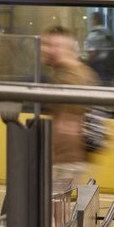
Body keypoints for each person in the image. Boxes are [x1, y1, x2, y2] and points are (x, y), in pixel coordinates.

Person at [41, 26, 100, 188]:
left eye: (51, 45)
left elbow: (68, 124)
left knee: (55, 206)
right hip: (63, 158)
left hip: (66, 159)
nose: (45, 49)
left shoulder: (73, 75)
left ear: (65, 48)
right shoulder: (62, 73)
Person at [84, 12, 114, 84]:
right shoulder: (107, 31)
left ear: (95, 20)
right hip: (109, 64)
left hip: (98, 65)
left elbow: (92, 52)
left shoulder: (94, 33)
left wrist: (87, 64)